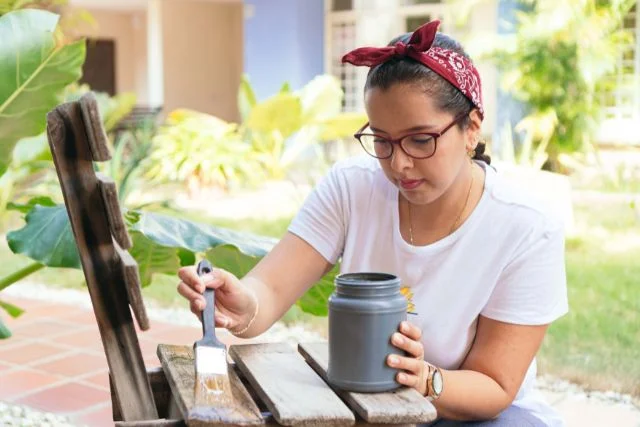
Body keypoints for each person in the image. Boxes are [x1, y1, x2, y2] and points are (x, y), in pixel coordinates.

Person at [177, 20, 568, 427]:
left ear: (471, 128)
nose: (398, 164)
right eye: (382, 140)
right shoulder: (352, 188)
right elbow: (270, 288)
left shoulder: (525, 227)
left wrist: (425, 378)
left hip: (472, 416)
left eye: (420, 140)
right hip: (369, 403)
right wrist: (242, 305)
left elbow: (495, 385)